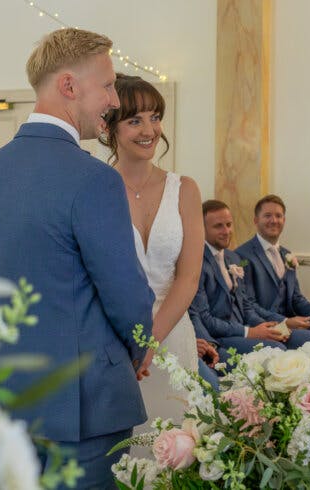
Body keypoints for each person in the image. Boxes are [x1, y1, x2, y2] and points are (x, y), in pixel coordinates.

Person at [0, 28, 155, 489]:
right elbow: (127, 296)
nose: (114, 99)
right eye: (107, 85)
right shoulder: (93, 179)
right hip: (87, 402)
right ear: (69, 86)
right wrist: (136, 347)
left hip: (13, 396)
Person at [99, 73, 215, 419]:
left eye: (155, 117)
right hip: (114, 336)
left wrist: (149, 344)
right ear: (110, 128)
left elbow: (188, 278)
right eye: (135, 120)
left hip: (173, 334)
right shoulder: (96, 189)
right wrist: (132, 343)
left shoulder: (185, 189)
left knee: (175, 437)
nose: (149, 130)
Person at [188, 200, 310, 356]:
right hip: (221, 337)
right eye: (218, 226)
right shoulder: (196, 263)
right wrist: (249, 332)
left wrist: (268, 327)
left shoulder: (233, 258)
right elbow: (206, 319)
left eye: (229, 225)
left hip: (247, 327)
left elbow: (245, 305)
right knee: (277, 351)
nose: (226, 231)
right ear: (201, 229)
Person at [235, 194, 310, 340]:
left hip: (293, 324)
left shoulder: (287, 254)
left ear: (284, 220)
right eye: (267, 215)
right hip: (267, 327)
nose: (274, 220)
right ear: (256, 220)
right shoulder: (241, 255)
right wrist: (285, 322)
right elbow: (249, 304)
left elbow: (296, 299)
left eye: (278, 216)